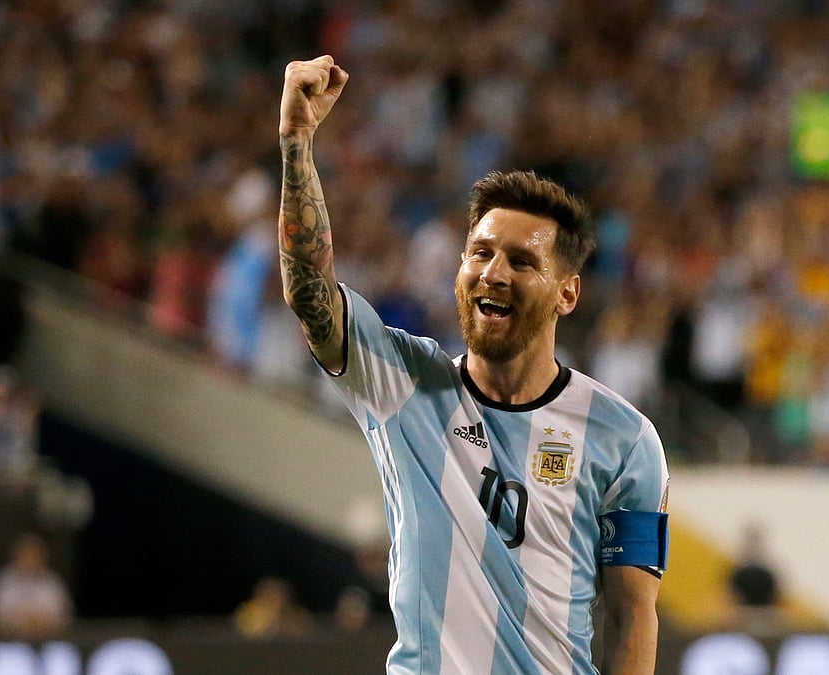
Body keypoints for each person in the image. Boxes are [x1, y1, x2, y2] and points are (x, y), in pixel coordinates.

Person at [276, 56, 671, 674]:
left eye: (522, 261)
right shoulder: (403, 383)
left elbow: (632, 617)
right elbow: (310, 294)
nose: (492, 273)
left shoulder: (626, 440)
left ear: (567, 294)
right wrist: (297, 141)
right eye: (479, 253)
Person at [0, 532, 73, 641]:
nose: (29, 559)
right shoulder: (1, 582)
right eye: (25, 554)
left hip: (47, 643)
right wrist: (20, 625)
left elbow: (64, 619)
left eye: (34, 555)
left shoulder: (52, 583)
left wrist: (39, 626)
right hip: (8, 644)